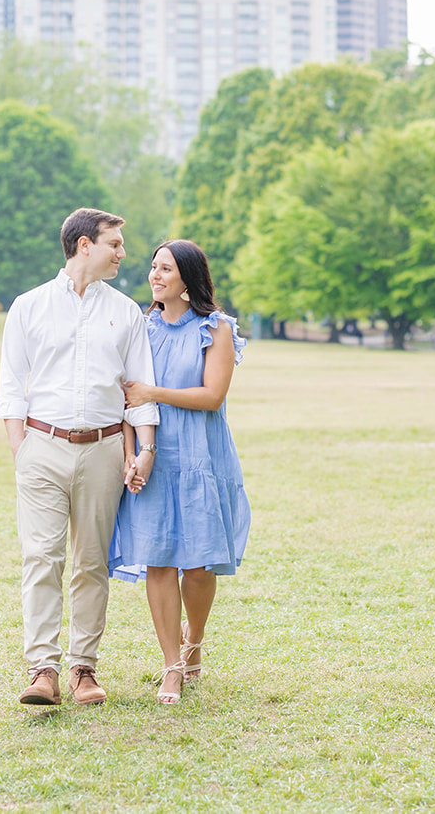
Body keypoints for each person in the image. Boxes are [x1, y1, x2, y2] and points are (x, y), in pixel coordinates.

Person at [0, 208, 160, 708]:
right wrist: (21, 449)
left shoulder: (126, 312)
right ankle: (42, 669)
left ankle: (83, 668)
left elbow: (138, 389)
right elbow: (10, 386)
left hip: (106, 450)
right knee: (41, 557)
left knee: (91, 562)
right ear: (85, 245)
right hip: (41, 449)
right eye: (115, 243)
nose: (123, 253)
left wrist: (145, 448)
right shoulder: (28, 307)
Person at [111, 239, 250, 705]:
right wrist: (131, 452)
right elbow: (127, 399)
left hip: (199, 457)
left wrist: (154, 391)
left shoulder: (216, 329)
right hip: (152, 456)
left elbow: (211, 396)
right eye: (152, 267)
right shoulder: (141, 327)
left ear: (187, 279)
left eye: (165, 268)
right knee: (158, 558)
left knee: (197, 564)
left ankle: (196, 639)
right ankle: (171, 662)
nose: (154, 275)